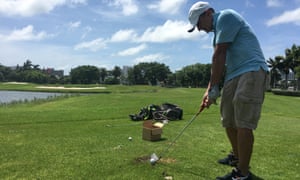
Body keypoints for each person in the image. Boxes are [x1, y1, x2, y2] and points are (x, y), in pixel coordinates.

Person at [187, 1, 268, 180]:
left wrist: (215, 88)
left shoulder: (226, 16)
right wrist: (208, 91)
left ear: (208, 13)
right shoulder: (217, 35)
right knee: (228, 119)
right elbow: (216, 64)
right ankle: (237, 157)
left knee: (243, 123)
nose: (200, 29)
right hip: (233, 74)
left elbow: (219, 55)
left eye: (199, 24)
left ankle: (242, 174)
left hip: (251, 70)